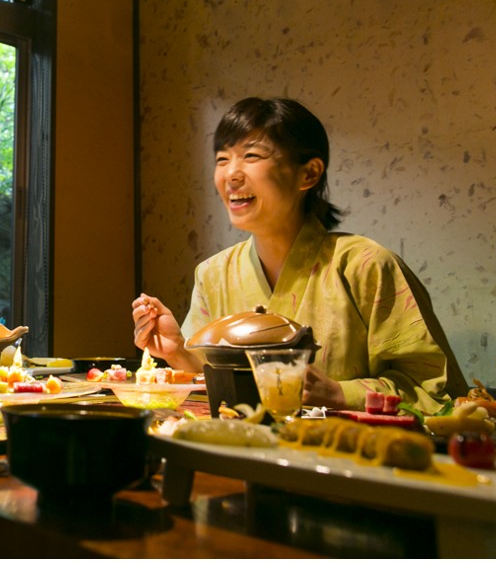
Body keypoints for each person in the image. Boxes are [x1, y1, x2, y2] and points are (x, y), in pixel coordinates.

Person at [132, 97, 467, 414]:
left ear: (309, 173)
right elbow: (211, 379)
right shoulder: (213, 273)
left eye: (251, 157)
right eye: (222, 159)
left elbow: (437, 393)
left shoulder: (365, 266)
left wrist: (336, 393)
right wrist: (177, 349)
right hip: (242, 455)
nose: (231, 174)